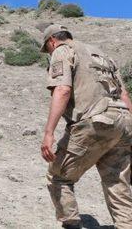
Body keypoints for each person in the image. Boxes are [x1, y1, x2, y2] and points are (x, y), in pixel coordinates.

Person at [40, 24, 132, 228]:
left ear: (52, 41)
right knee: (117, 182)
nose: (49, 52)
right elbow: (124, 95)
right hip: (124, 123)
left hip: (95, 121)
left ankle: (71, 224)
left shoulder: (62, 51)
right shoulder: (102, 55)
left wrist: (49, 133)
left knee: (58, 177)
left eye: (47, 49)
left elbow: (62, 90)